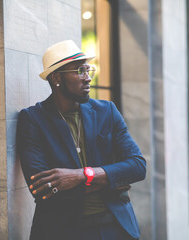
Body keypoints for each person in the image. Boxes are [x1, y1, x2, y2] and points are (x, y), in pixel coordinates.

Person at [17, 40, 146, 240]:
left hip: (114, 226)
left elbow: (137, 166)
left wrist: (82, 175)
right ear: (56, 77)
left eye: (88, 70)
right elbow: (44, 189)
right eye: (79, 71)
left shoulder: (106, 111)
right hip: (62, 231)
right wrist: (111, 179)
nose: (87, 78)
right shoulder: (33, 119)